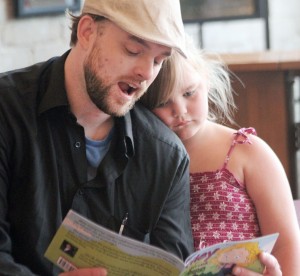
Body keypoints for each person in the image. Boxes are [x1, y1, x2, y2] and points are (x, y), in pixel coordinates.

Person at [0, 0, 195, 275]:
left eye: (159, 60)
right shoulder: (7, 112)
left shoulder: (167, 157)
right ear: (88, 32)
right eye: (133, 50)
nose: (147, 72)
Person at [141, 37, 300, 275]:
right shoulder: (143, 160)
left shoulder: (247, 151)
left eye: (189, 93)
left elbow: (286, 243)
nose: (180, 111)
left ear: (206, 80)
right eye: (163, 102)